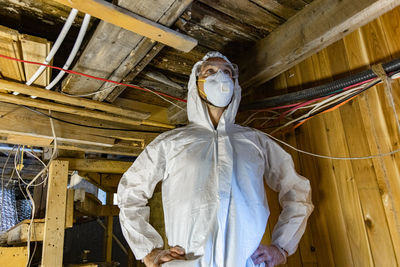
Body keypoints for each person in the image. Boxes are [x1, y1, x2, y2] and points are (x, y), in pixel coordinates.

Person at [117, 51, 314, 267]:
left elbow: (297, 192)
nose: (219, 77)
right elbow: (130, 193)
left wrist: (281, 247)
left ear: (235, 85)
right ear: (196, 84)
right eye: (209, 71)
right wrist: (149, 251)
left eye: (227, 72)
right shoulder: (171, 142)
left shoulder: (256, 141)